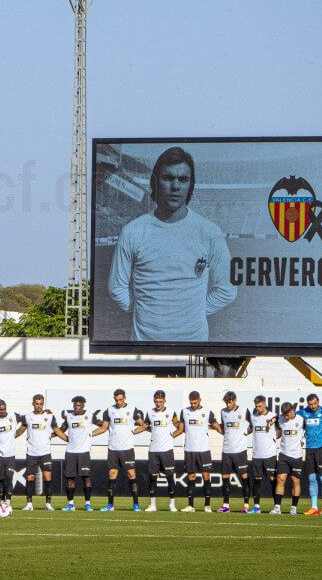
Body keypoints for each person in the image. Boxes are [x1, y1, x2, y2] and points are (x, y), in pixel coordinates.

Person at [107, 146, 237, 342]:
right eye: (168, 178)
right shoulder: (133, 231)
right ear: (155, 182)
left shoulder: (209, 232)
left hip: (194, 347)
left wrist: (193, 313)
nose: (176, 186)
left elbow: (227, 289)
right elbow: (117, 288)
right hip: (145, 348)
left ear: (190, 185)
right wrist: (146, 310)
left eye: (183, 179)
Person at [90, 388, 143, 512]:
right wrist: (89, 435)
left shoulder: (132, 409)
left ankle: (136, 505)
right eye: (116, 399)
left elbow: (143, 424)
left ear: (124, 398)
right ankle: (110, 505)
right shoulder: (109, 410)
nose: (118, 402)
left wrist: (134, 432)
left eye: (120, 399)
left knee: (131, 474)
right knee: (112, 474)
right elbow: (104, 428)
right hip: (113, 448)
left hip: (127, 449)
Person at [134, 389, 182, 512]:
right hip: (154, 449)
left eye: (160, 401)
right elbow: (145, 426)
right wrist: (132, 432)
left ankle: (172, 504)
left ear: (164, 401)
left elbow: (179, 426)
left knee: (170, 477)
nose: (158, 404)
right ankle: (153, 505)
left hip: (167, 449)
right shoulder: (150, 413)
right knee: (153, 477)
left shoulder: (171, 412)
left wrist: (174, 435)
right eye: (156, 401)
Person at [53, 396, 94, 511]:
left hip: (84, 452)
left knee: (86, 478)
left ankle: (88, 504)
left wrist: (91, 434)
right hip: (70, 452)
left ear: (83, 406)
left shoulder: (90, 416)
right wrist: (63, 438)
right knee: (70, 479)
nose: (77, 407)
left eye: (79, 405)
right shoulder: (69, 417)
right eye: (75, 405)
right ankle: (71, 504)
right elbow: (61, 429)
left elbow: (103, 426)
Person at [179, 390, 217, 512]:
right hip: (189, 450)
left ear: (200, 400)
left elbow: (217, 426)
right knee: (191, 476)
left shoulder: (207, 412)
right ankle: (190, 506)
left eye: (195, 402)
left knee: (206, 476)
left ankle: (207, 505)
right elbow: (180, 429)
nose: (193, 405)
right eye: (191, 403)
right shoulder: (184, 412)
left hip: (203, 450)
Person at [214, 391, 252, 513]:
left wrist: (245, 433)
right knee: (225, 477)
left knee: (244, 477)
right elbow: (224, 429)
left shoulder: (244, 410)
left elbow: (253, 424)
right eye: (226, 402)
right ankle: (226, 505)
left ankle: (246, 506)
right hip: (226, 450)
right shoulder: (223, 412)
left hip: (240, 450)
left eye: (230, 402)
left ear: (235, 400)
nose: (228, 405)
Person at [18, 394, 56, 511]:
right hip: (32, 453)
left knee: (47, 477)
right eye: (36, 404)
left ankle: (48, 504)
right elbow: (21, 430)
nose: (39, 406)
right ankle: (29, 504)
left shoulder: (49, 416)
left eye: (40, 404)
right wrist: (9, 437)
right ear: (33, 404)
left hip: (45, 452)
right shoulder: (27, 417)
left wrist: (65, 438)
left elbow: (57, 430)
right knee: (30, 477)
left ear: (43, 404)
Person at [299, 393, 322, 515]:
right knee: (311, 478)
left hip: (321, 448)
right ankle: (314, 507)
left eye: (315, 403)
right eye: (310, 404)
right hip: (309, 449)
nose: (313, 406)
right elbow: (290, 415)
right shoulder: (303, 412)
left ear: (318, 402)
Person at [271, 402, 304, 515]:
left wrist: (304, 439)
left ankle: (293, 507)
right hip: (284, 454)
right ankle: (277, 507)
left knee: (295, 481)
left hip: (297, 456)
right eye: (284, 414)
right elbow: (279, 433)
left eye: (287, 414)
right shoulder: (280, 419)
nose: (286, 417)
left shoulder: (301, 419)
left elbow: (309, 432)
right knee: (280, 479)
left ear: (292, 410)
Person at [247, 395, 278, 514]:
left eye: (260, 406)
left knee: (272, 479)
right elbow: (250, 429)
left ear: (264, 404)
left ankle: (276, 506)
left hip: (270, 454)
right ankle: (256, 507)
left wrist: (275, 438)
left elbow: (279, 430)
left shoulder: (273, 416)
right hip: (257, 454)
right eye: (256, 406)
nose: (258, 408)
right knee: (256, 479)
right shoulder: (253, 417)